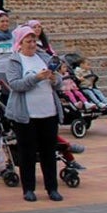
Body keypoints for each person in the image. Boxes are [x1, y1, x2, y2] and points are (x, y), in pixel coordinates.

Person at [5, 25, 64, 202]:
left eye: (33, 41)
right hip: (26, 114)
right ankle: (28, 188)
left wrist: (54, 79)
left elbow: (59, 82)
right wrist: (37, 78)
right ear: (20, 43)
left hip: (48, 112)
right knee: (27, 152)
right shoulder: (15, 61)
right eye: (28, 41)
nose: (31, 44)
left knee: (48, 151)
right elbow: (15, 84)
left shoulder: (44, 57)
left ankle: (52, 188)